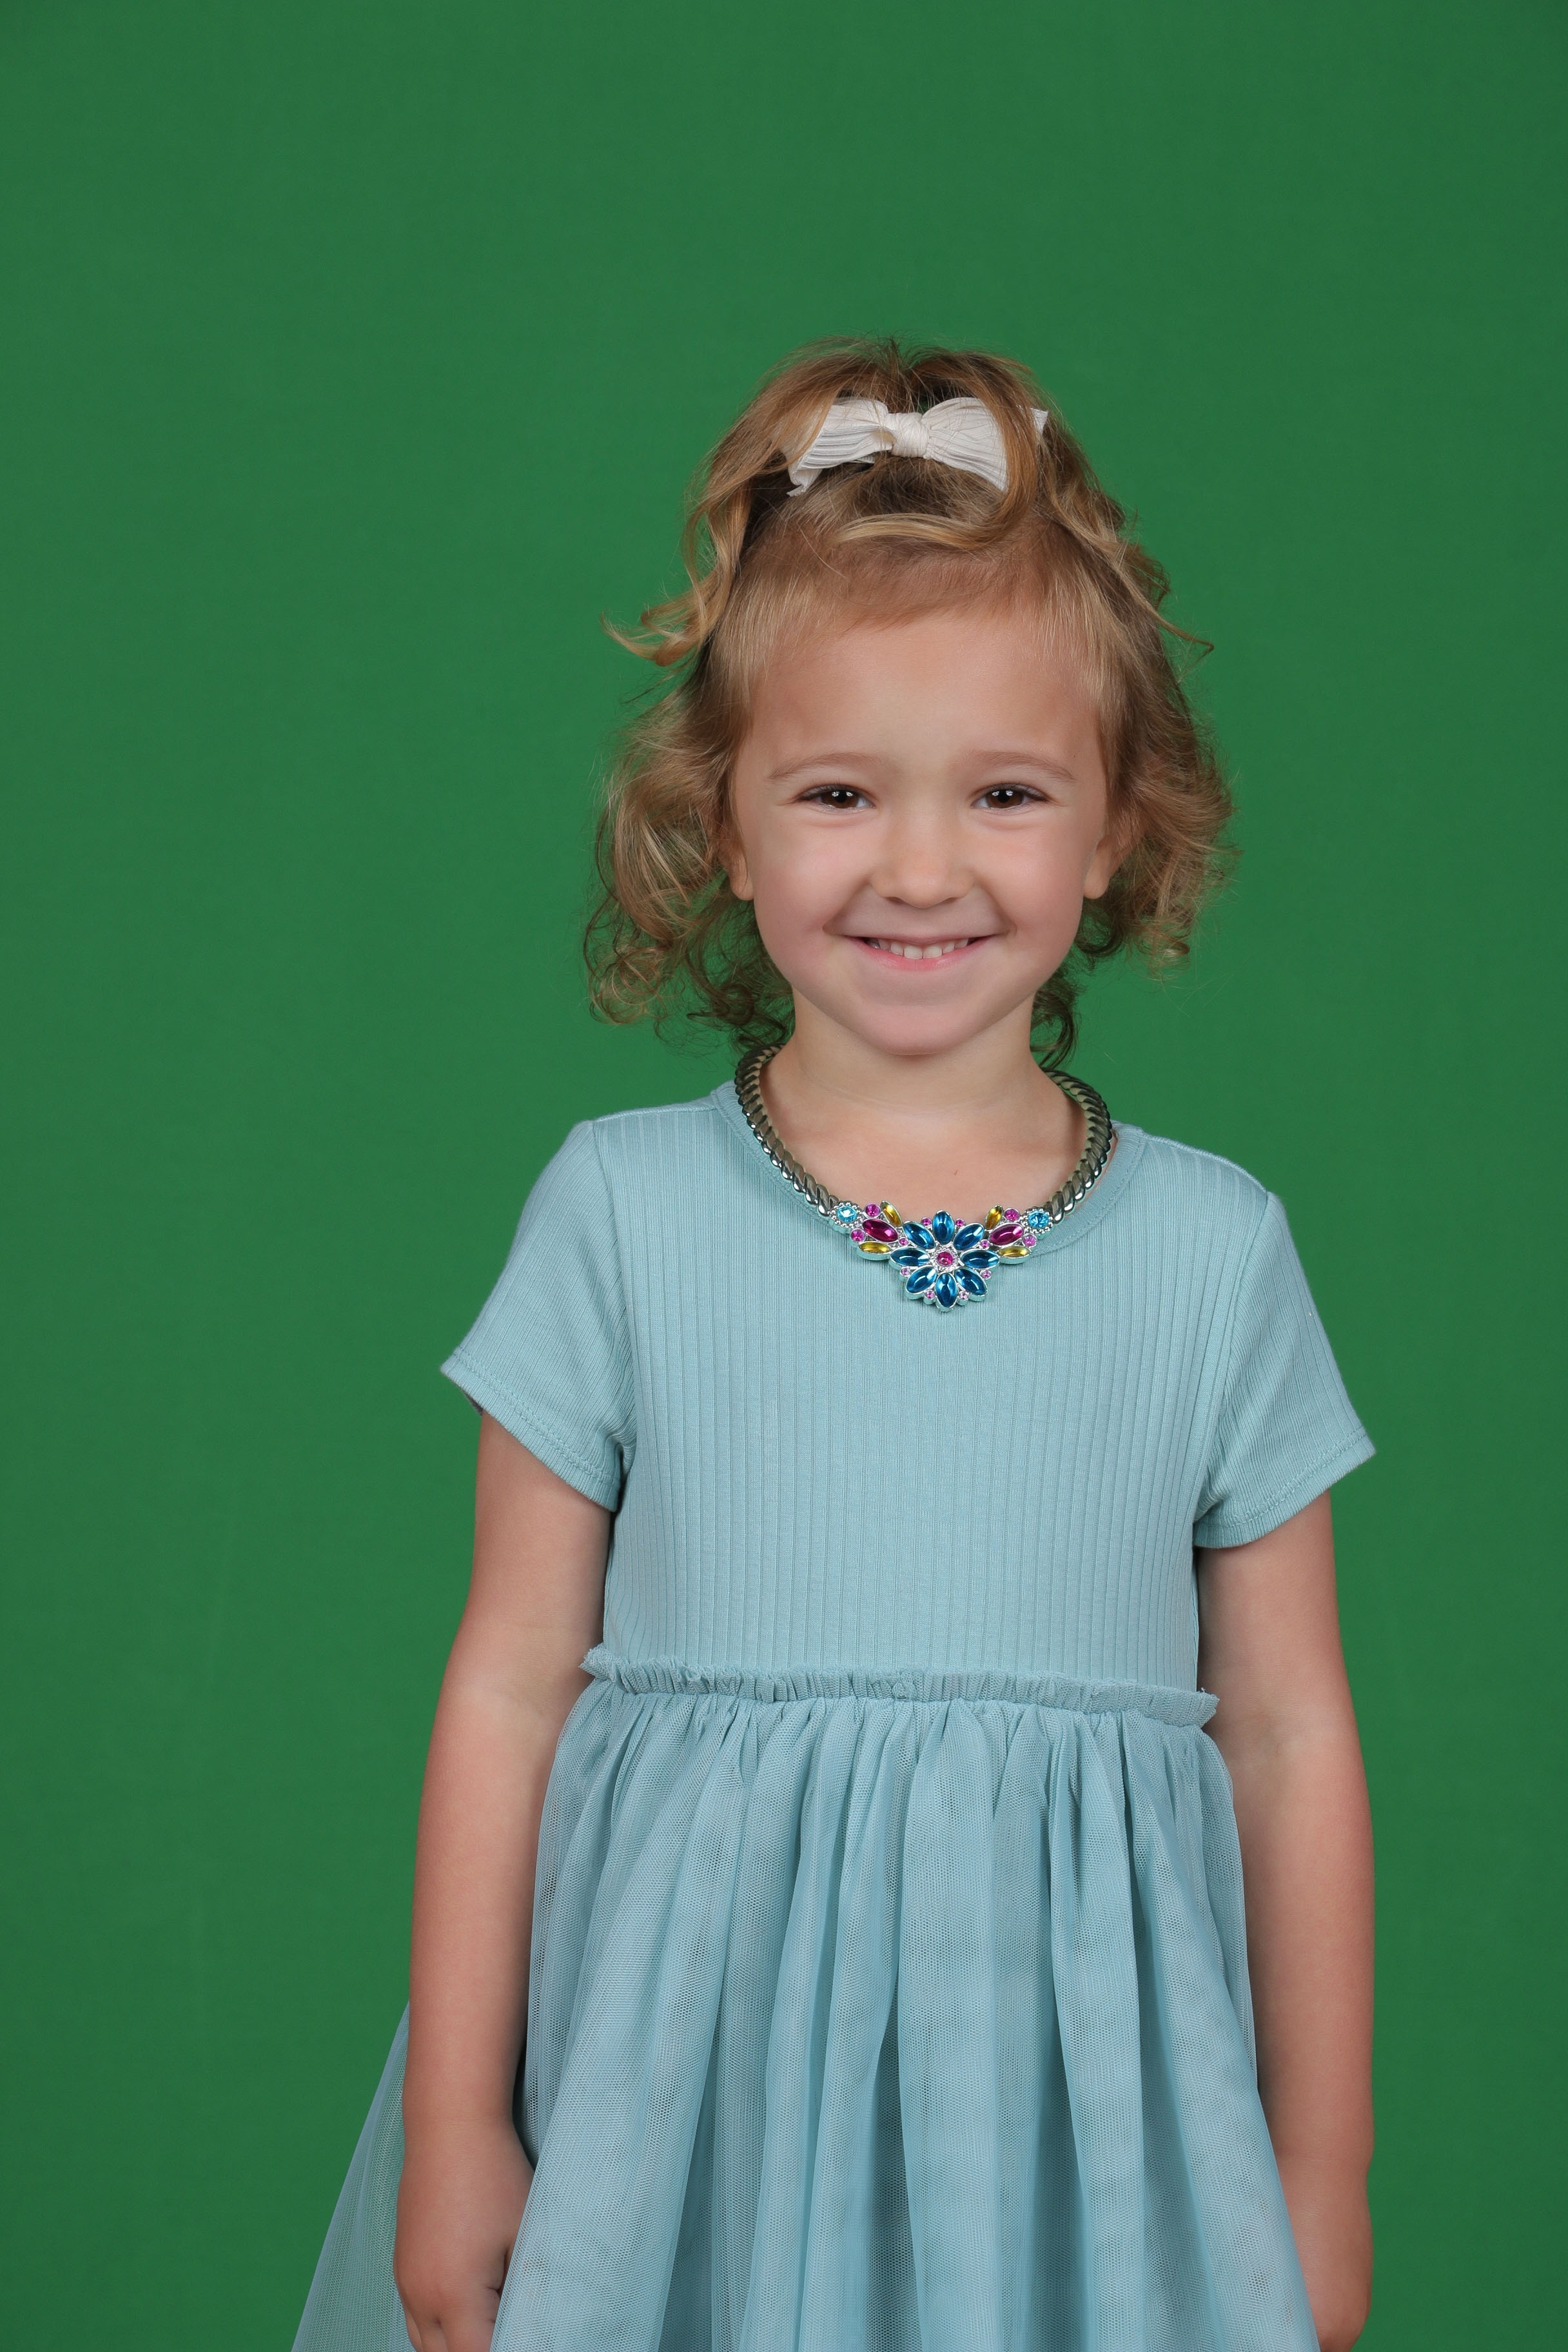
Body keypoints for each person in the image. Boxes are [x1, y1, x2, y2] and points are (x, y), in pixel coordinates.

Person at [291, 340, 1377, 2352]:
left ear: (1115, 826)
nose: (920, 868)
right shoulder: (623, 1213)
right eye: (840, 793)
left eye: (1006, 793)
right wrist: (457, 2124)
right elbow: (511, 1681)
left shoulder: (1213, 1253)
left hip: (1079, 2122)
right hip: (680, 2098)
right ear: (723, 821)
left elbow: (1292, 1733)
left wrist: (1320, 2170)